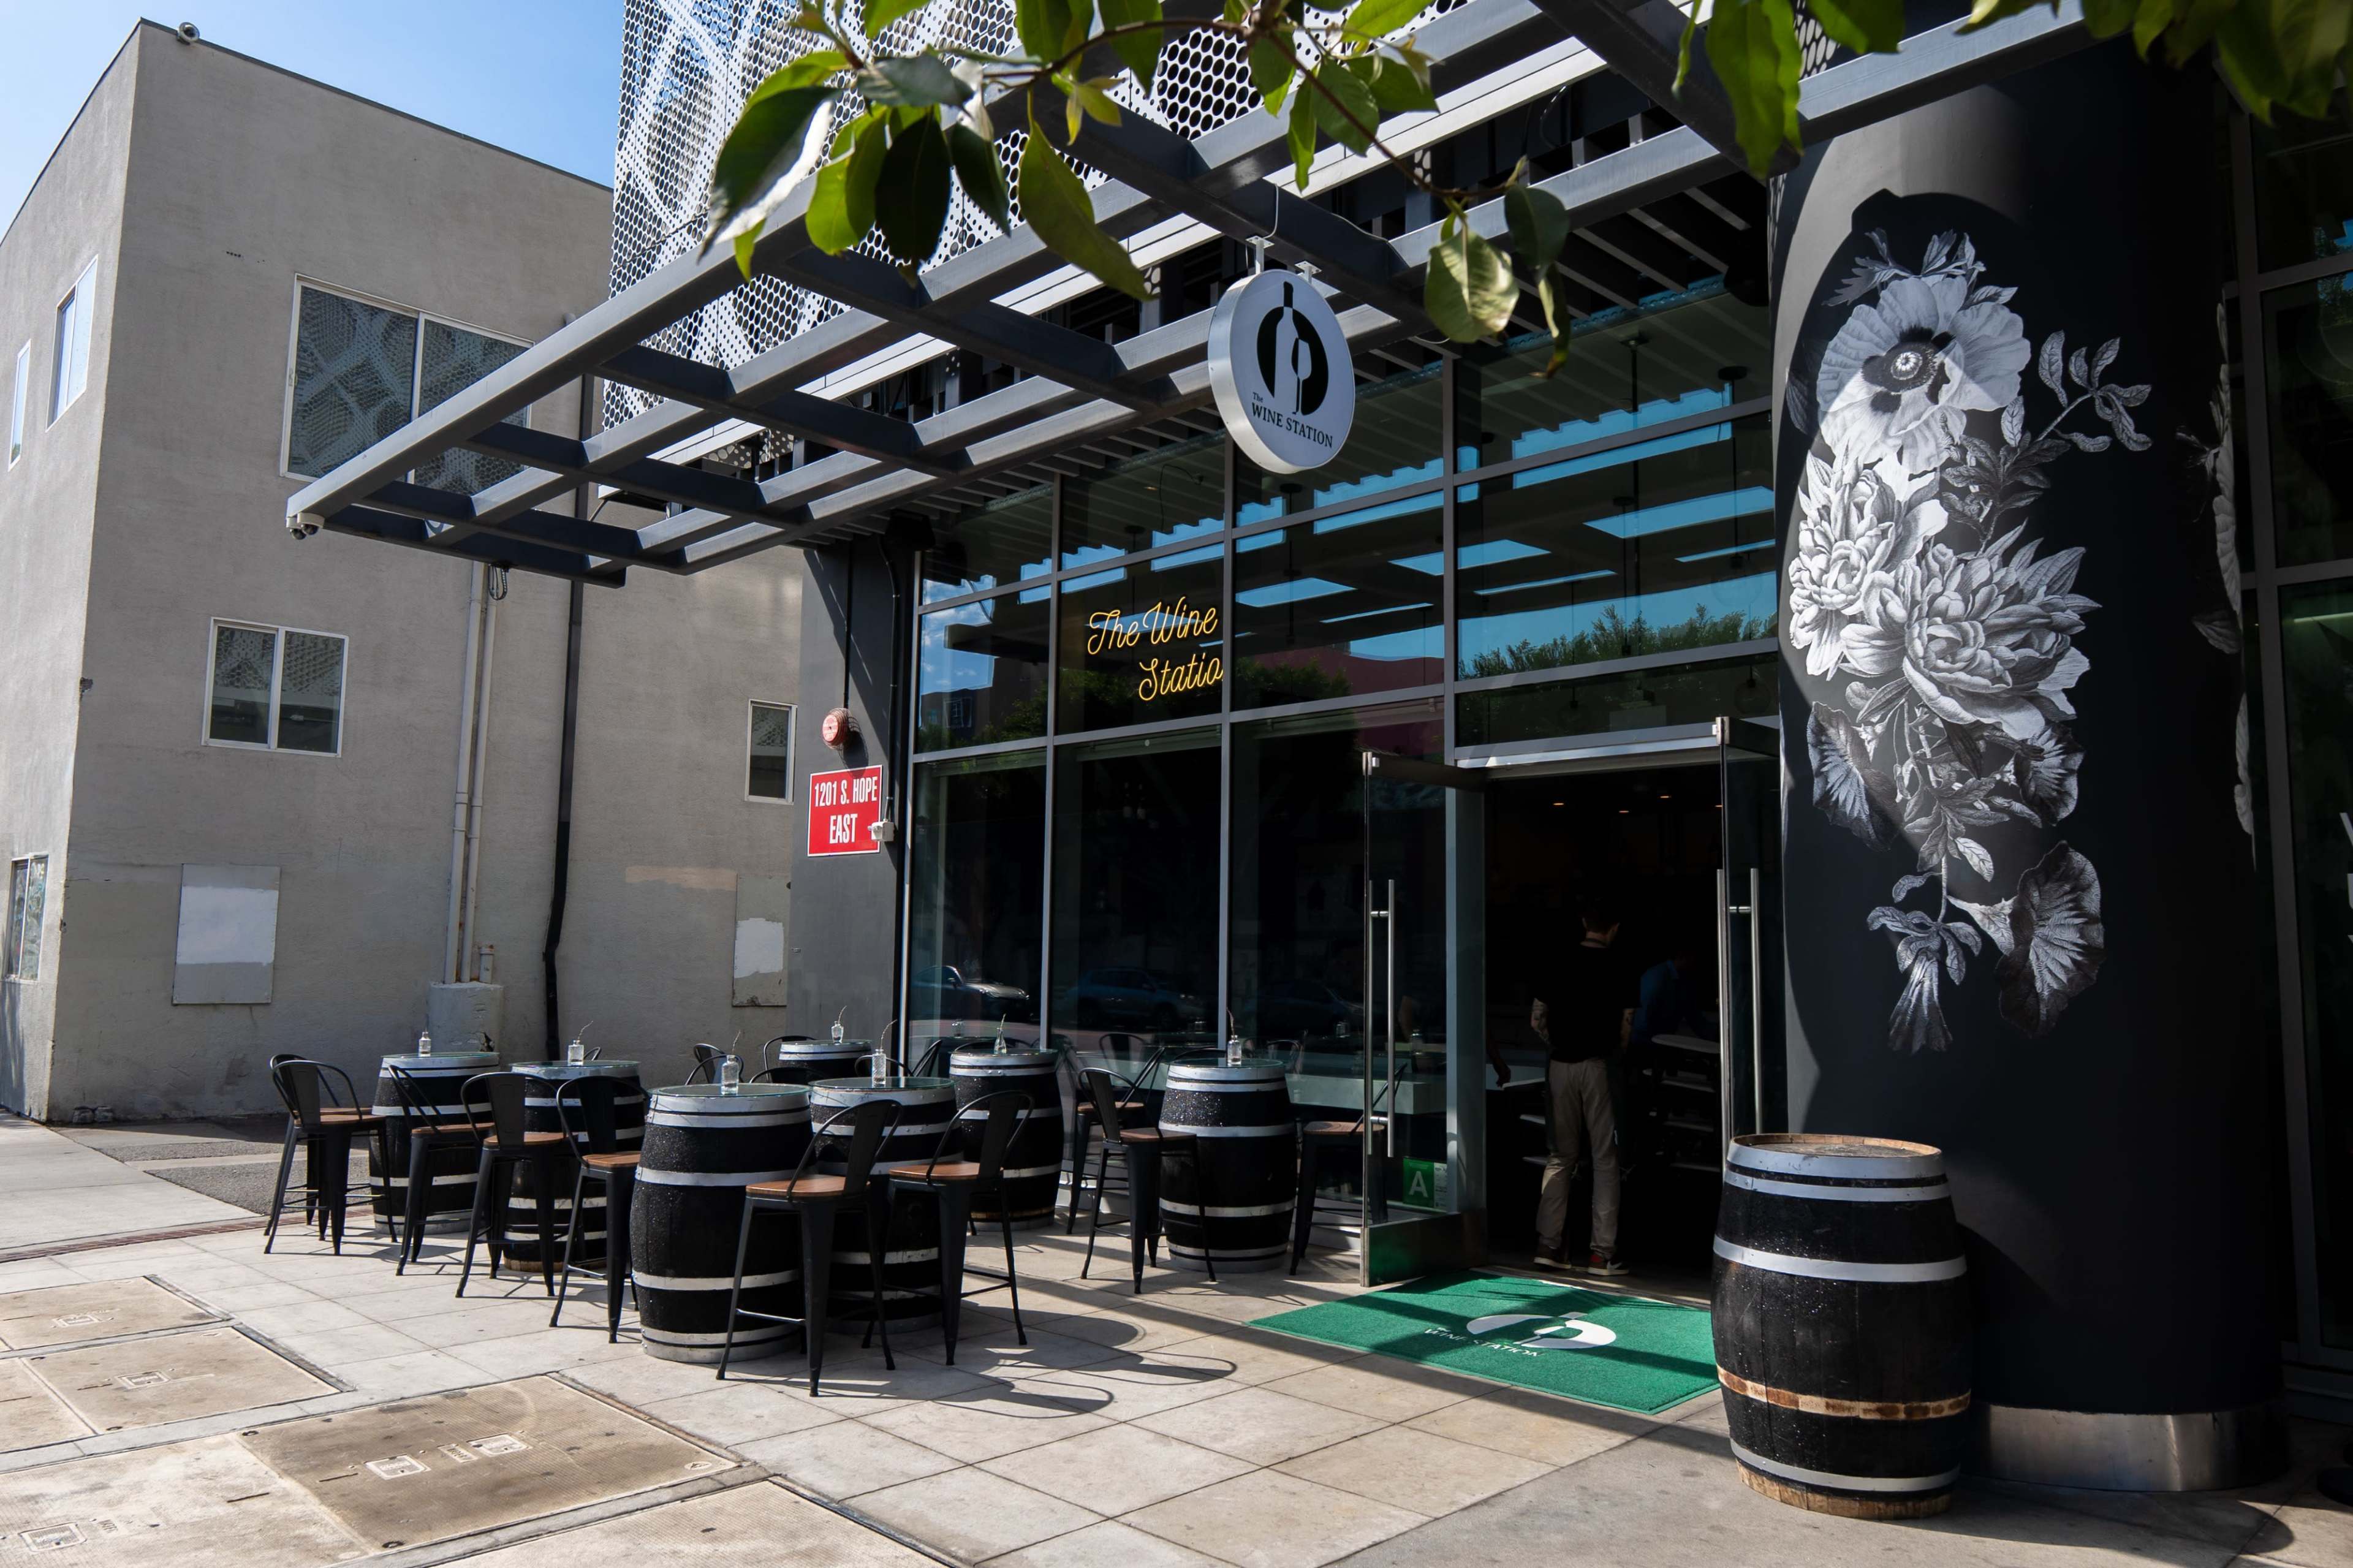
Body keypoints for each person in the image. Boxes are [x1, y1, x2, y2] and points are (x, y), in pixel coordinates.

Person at [1531, 896, 1636, 1276]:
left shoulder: (1556, 961)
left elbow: (1537, 1019)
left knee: (1560, 1156)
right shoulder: (1621, 966)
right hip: (1598, 1067)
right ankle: (1601, 1254)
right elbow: (1626, 1028)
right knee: (1606, 1160)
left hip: (1561, 1065)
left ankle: (1549, 1244)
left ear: (1583, 922)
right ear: (1614, 929)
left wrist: (1558, 1045)